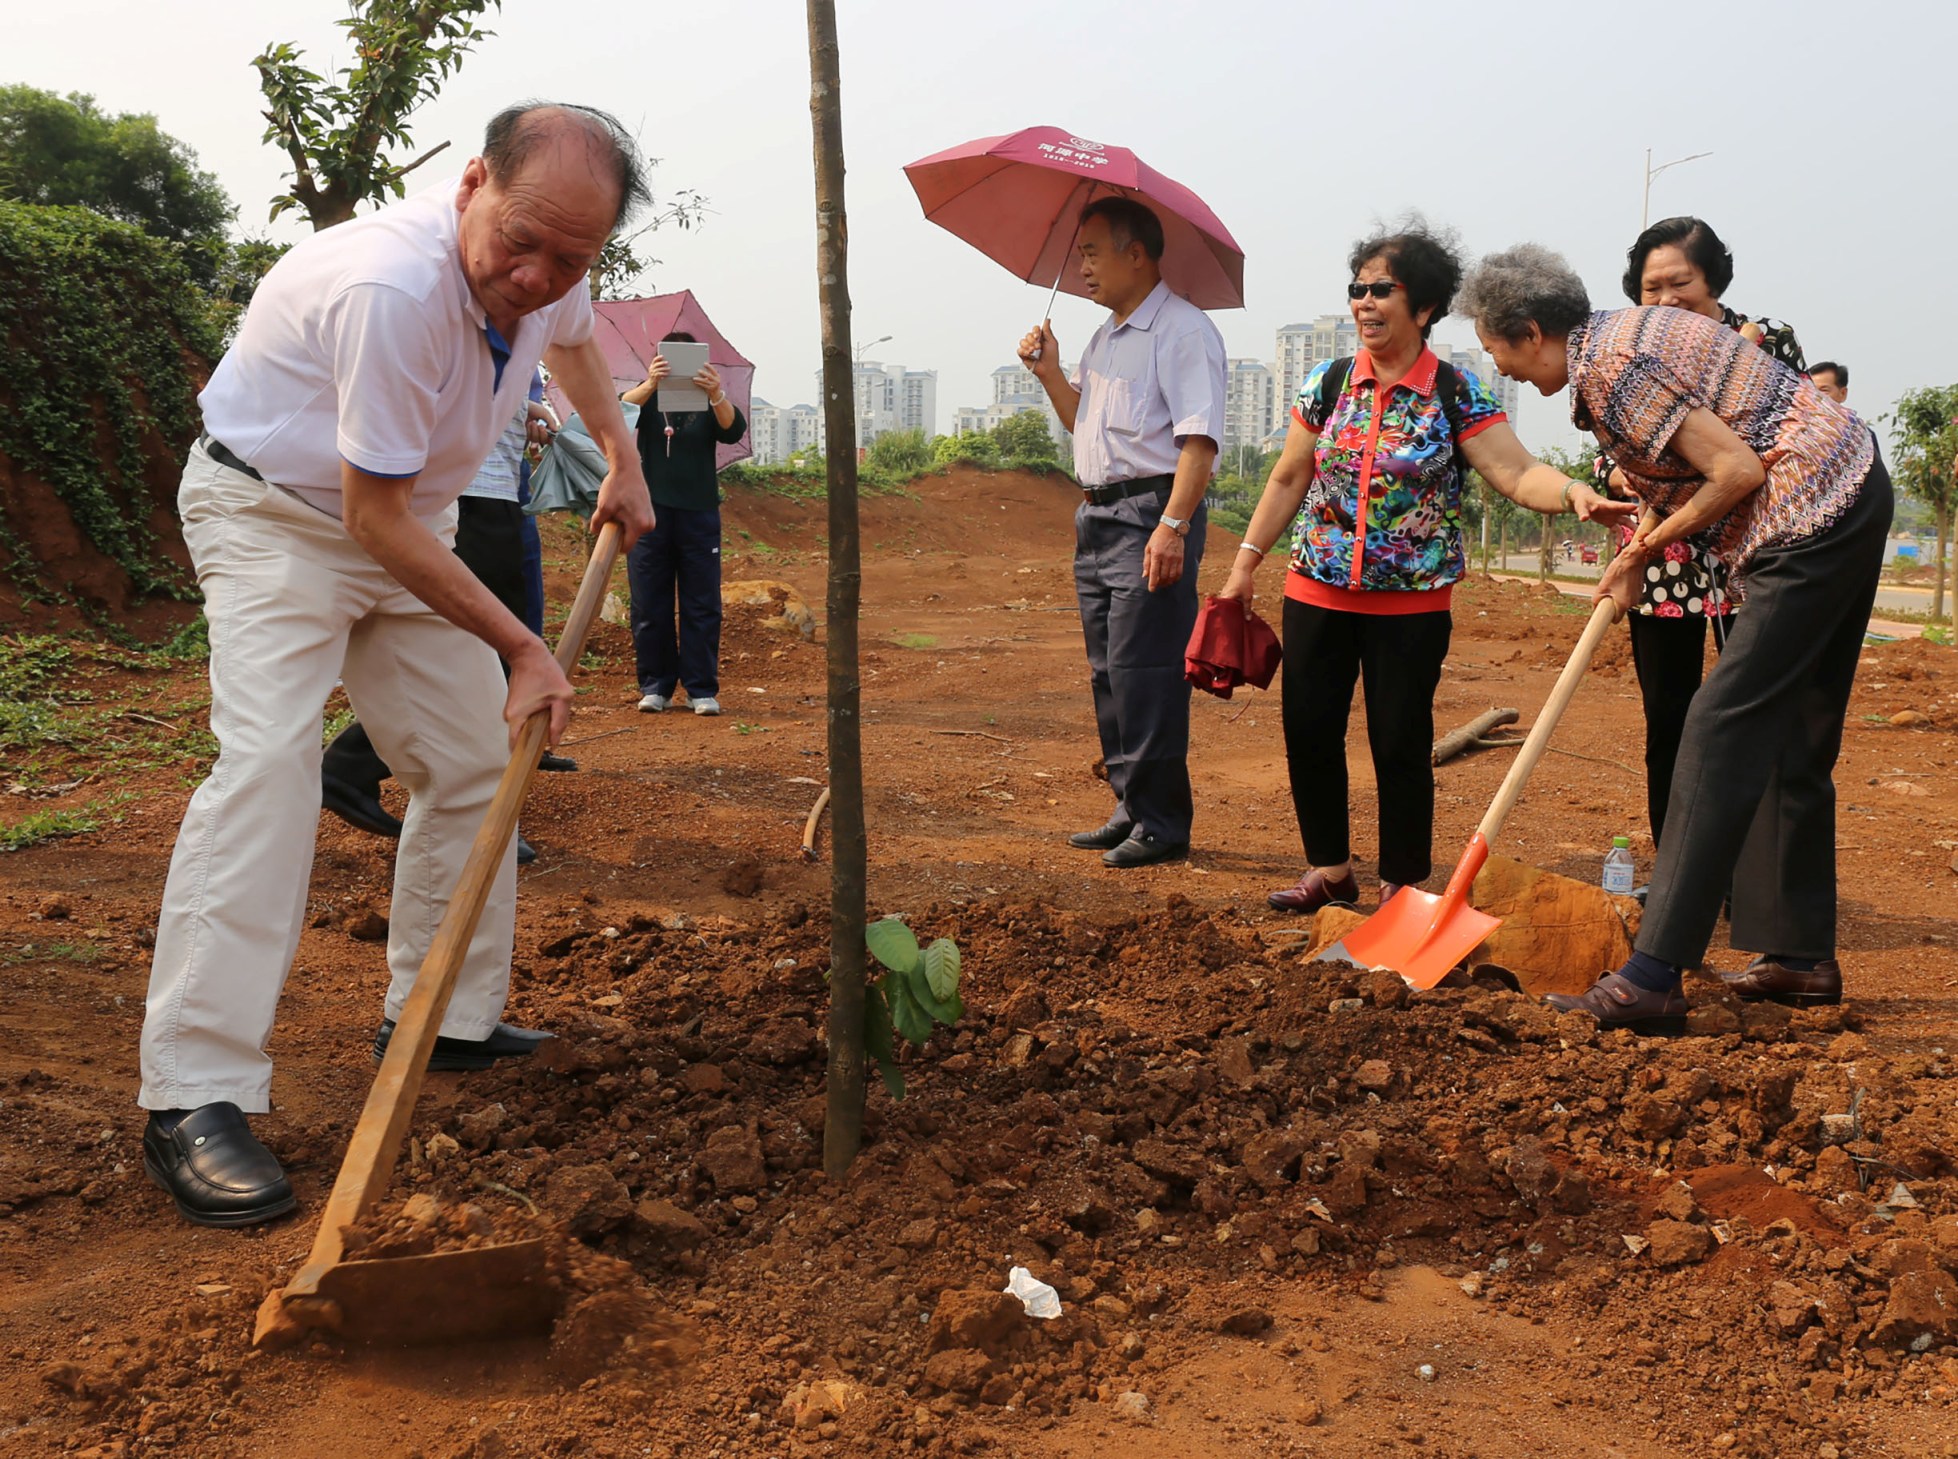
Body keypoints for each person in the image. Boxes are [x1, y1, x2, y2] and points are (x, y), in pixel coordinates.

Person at [139, 103, 656, 1228]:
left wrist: (620, 453)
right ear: (471, 182)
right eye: (518, 243)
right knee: (268, 765)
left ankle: (442, 1015)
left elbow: (570, 335)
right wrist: (520, 645)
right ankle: (195, 1092)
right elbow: (367, 515)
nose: (534, 274)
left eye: (568, 256)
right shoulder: (390, 289)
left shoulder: (549, 262)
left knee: (473, 761)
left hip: (401, 522)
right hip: (276, 514)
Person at [1459, 244, 1889, 1031]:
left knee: (1719, 724)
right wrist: (1634, 554)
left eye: (1498, 353)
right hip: (1851, 489)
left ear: (1527, 330)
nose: (1504, 372)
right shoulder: (1614, 349)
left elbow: (1736, 473)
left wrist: (1646, 551)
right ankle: (1799, 955)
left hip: (1810, 514)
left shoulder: (1614, 366)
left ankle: (1653, 975)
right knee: (1792, 735)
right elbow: (1690, 474)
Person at [1220, 222, 1632, 913]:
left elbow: (1514, 469)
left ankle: (1401, 883)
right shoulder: (1327, 383)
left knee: (1400, 742)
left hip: (1408, 608)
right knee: (1309, 730)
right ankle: (1329, 870)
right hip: (1315, 589)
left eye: (1383, 289)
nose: (1365, 302)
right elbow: (1290, 475)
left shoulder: (1454, 390)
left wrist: (1571, 493)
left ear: (1425, 307)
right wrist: (1244, 563)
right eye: (1357, 289)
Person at [1018, 197, 1226, 869]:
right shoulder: (1105, 337)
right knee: (1109, 672)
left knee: (1148, 672)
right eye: (1080, 254)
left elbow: (1198, 442)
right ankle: (1131, 804)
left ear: (1138, 253)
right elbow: (1085, 423)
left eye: (1092, 252)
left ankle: (1163, 820)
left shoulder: (1183, 332)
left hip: (1150, 514)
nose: (1082, 267)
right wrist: (1051, 374)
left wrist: (1172, 526)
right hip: (1098, 515)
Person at [1602, 218, 1807, 881]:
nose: (1665, 299)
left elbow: (1786, 443)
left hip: (1751, 558)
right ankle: (1680, 867)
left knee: (1751, 714)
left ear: (1713, 278)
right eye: (1649, 287)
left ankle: (1749, 873)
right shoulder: (1631, 358)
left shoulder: (1765, 343)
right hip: (1664, 561)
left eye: (1679, 283)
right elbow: (1607, 461)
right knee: (1672, 717)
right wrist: (1629, 479)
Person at [318, 391, 566, 865]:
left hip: (478, 493)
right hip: (468, 494)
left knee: (475, 650)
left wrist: (523, 409)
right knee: (484, 654)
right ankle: (469, 813)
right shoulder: (455, 320)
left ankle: (368, 772)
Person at [621, 333, 745, 716]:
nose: (677, 365)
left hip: (699, 511)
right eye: (667, 358)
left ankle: (700, 688)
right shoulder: (646, 397)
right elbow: (617, 415)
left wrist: (716, 394)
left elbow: (734, 430)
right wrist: (651, 383)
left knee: (702, 603)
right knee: (648, 603)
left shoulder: (709, 399)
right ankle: (656, 686)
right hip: (649, 513)